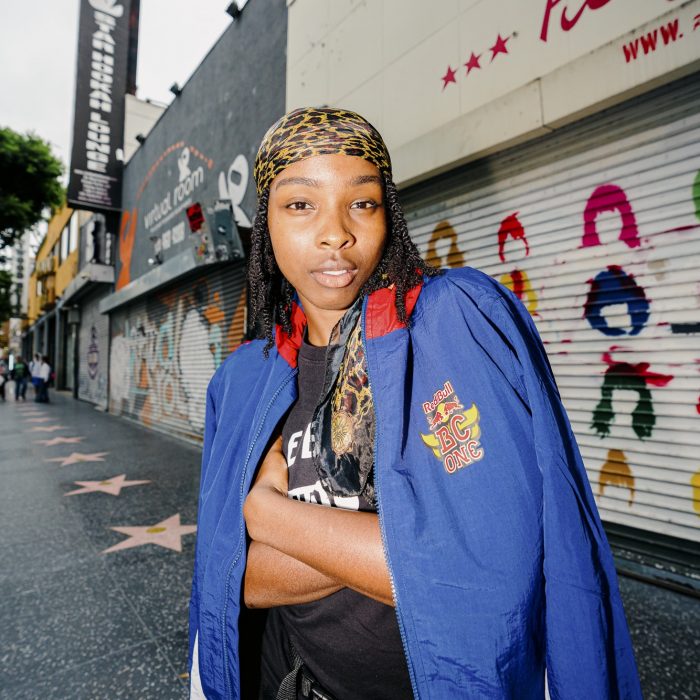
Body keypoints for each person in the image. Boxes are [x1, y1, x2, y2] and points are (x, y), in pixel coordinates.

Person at [188, 108, 642, 700]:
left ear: (390, 214)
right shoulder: (243, 380)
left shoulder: (453, 322)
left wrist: (270, 516)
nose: (336, 233)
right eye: (300, 204)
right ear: (264, 223)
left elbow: (486, 577)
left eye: (362, 202)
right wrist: (394, 549)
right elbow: (230, 582)